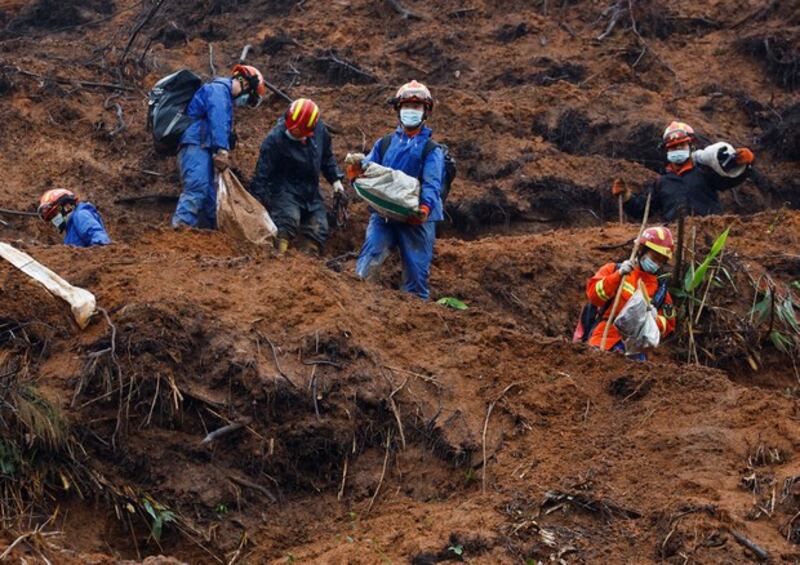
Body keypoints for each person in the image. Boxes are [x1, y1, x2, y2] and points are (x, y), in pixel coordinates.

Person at [354, 80, 445, 300]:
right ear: (398, 109)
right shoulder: (384, 144)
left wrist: (424, 208)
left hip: (417, 218)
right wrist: (354, 173)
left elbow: (433, 183)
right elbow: (367, 171)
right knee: (369, 258)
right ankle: (359, 303)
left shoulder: (431, 150)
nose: (410, 111)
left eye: (416, 107)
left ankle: (415, 315)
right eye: (406, 106)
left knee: (416, 272)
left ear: (425, 112)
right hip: (385, 215)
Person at [171, 65, 267, 229]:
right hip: (195, 145)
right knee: (197, 189)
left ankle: (211, 237)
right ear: (244, 84)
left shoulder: (225, 98)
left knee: (210, 199)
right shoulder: (218, 91)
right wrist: (222, 149)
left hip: (204, 147)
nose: (245, 103)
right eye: (249, 97)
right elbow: (218, 121)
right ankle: (179, 232)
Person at [248, 98, 345, 255]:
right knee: (287, 220)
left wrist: (335, 180)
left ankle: (307, 260)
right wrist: (255, 206)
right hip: (285, 189)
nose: (293, 133)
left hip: (311, 191)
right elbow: (262, 175)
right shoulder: (274, 140)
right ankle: (278, 255)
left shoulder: (319, 130)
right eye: (292, 130)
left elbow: (327, 157)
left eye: (298, 132)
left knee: (319, 228)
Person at [614, 121, 755, 222]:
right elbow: (642, 210)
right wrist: (626, 196)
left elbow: (729, 179)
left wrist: (743, 164)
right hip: (677, 240)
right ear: (667, 151)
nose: (677, 150)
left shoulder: (704, 173)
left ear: (691, 146)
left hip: (709, 233)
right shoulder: (662, 183)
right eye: (673, 147)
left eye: (681, 145)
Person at [585, 226, 676, 360]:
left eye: (661, 261)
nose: (656, 263)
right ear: (641, 250)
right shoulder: (613, 270)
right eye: (654, 257)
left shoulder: (660, 291)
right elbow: (594, 296)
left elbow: (668, 326)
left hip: (634, 351)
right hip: (604, 341)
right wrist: (617, 276)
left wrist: (652, 317)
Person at [38, 189, 111, 247]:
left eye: (54, 214)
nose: (54, 219)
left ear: (67, 206)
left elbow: (100, 241)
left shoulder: (81, 216)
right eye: (51, 218)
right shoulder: (70, 230)